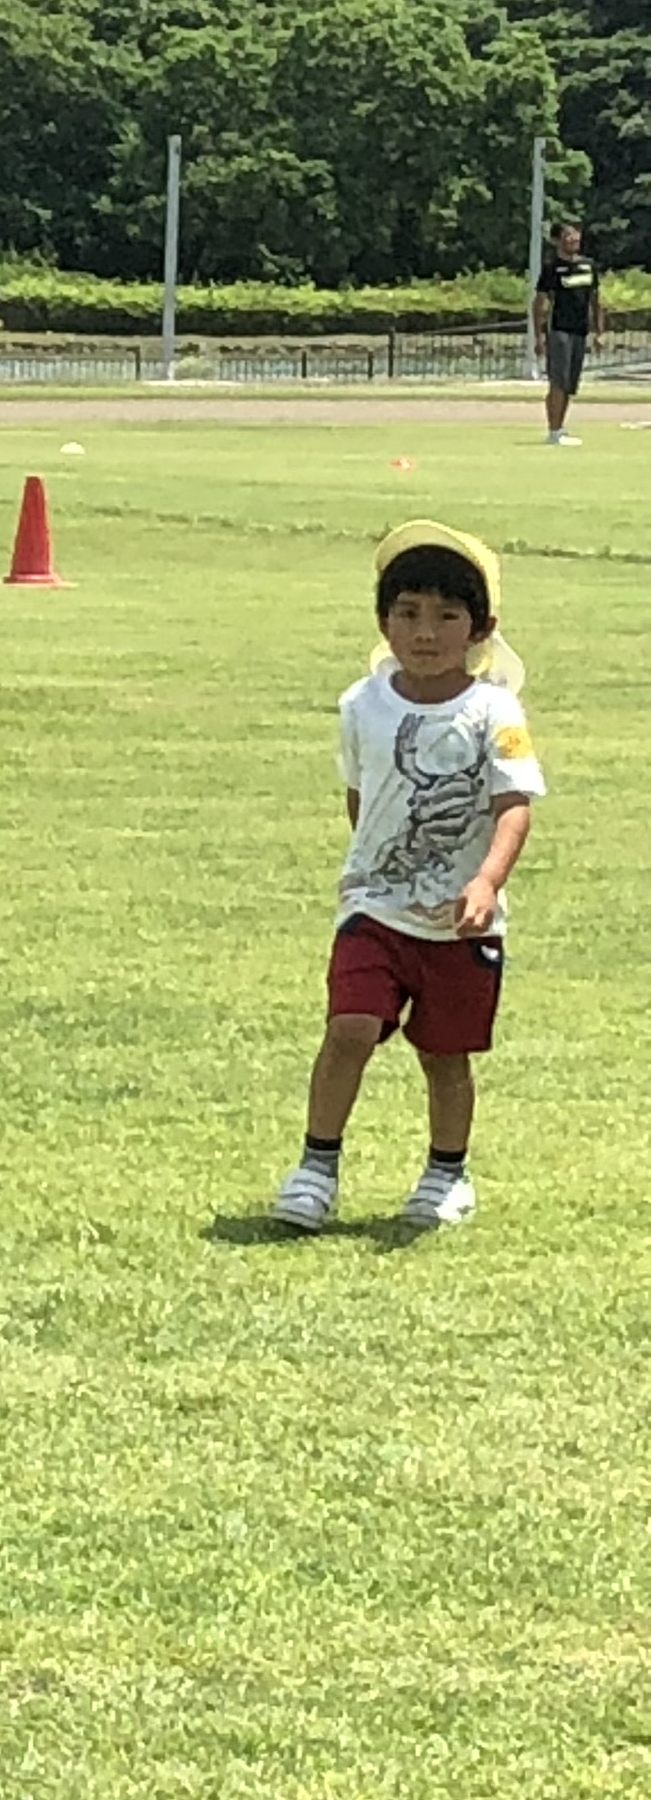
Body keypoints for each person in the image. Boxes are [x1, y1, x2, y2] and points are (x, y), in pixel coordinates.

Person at [269, 520, 545, 1233]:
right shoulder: (362, 705)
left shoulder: (495, 711)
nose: (426, 632)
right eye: (409, 614)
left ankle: (446, 1173)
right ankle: (316, 1168)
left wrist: (484, 882)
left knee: (446, 1054)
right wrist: (374, 871)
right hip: (375, 909)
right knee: (350, 1026)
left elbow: (513, 807)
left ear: (481, 627)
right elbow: (360, 797)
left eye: (448, 616)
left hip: (459, 921)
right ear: (384, 621)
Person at [533, 221, 597, 445]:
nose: (574, 239)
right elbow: (540, 302)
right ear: (558, 240)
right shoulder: (552, 268)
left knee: (570, 382)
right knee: (558, 382)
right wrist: (539, 336)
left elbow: (595, 300)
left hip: (580, 330)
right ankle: (554, 430)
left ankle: (560, 428)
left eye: (576, 235)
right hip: (559, 329)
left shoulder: (588, 265)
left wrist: (599, 331)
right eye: (568, 236)